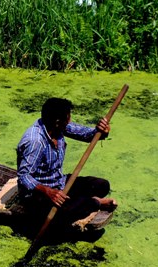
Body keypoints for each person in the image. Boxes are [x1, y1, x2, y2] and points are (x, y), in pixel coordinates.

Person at [16, 97, 116, 234]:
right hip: (38, 196)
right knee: (88, 205)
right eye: (68, 118)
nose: (69, 121)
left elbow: (87, 134)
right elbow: (24, 176)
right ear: (58, 121)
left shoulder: (58, 127)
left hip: (60, 184)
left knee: (102, 185)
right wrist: (48, 192)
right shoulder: (35, 141)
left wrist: (101, 131)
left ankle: (83, 202)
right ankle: (95, 202)